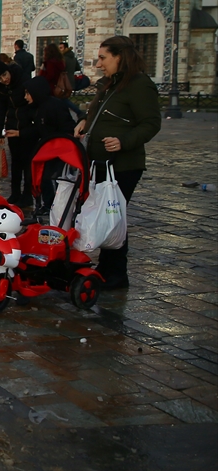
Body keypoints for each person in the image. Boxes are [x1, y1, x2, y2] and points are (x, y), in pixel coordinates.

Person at [73, 36, 162, 291]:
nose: (99, 64)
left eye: (103, 58)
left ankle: (117, 274)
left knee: (113, 216)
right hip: (99, 163)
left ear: (119, 57)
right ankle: (107, 267)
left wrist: (124, 141)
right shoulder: (110, 84)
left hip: (123, 165)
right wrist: (84, 123)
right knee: (104, 215)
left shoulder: (139, 85)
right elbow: (100, 114)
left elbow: (151, 123)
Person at [22, 75, 78, 212]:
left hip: (59, 149)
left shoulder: (54, 106)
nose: (26, 97)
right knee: (41, 176)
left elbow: (66, 127)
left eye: (28, 93)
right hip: (48, 148)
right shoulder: (37, 108)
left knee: (51, 177)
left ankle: (56, 204)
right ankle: (48, 204)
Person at [0, 59, 33, 206]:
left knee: (28, 162)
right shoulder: (0, 87)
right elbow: (0, 110)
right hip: (12, 125)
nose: (4, 79)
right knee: (16, 161)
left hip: (27, 125)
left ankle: (28, 194)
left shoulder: (23, 78)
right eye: (0, 78)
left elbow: (33, 103)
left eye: (5, 75)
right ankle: (15, 192)